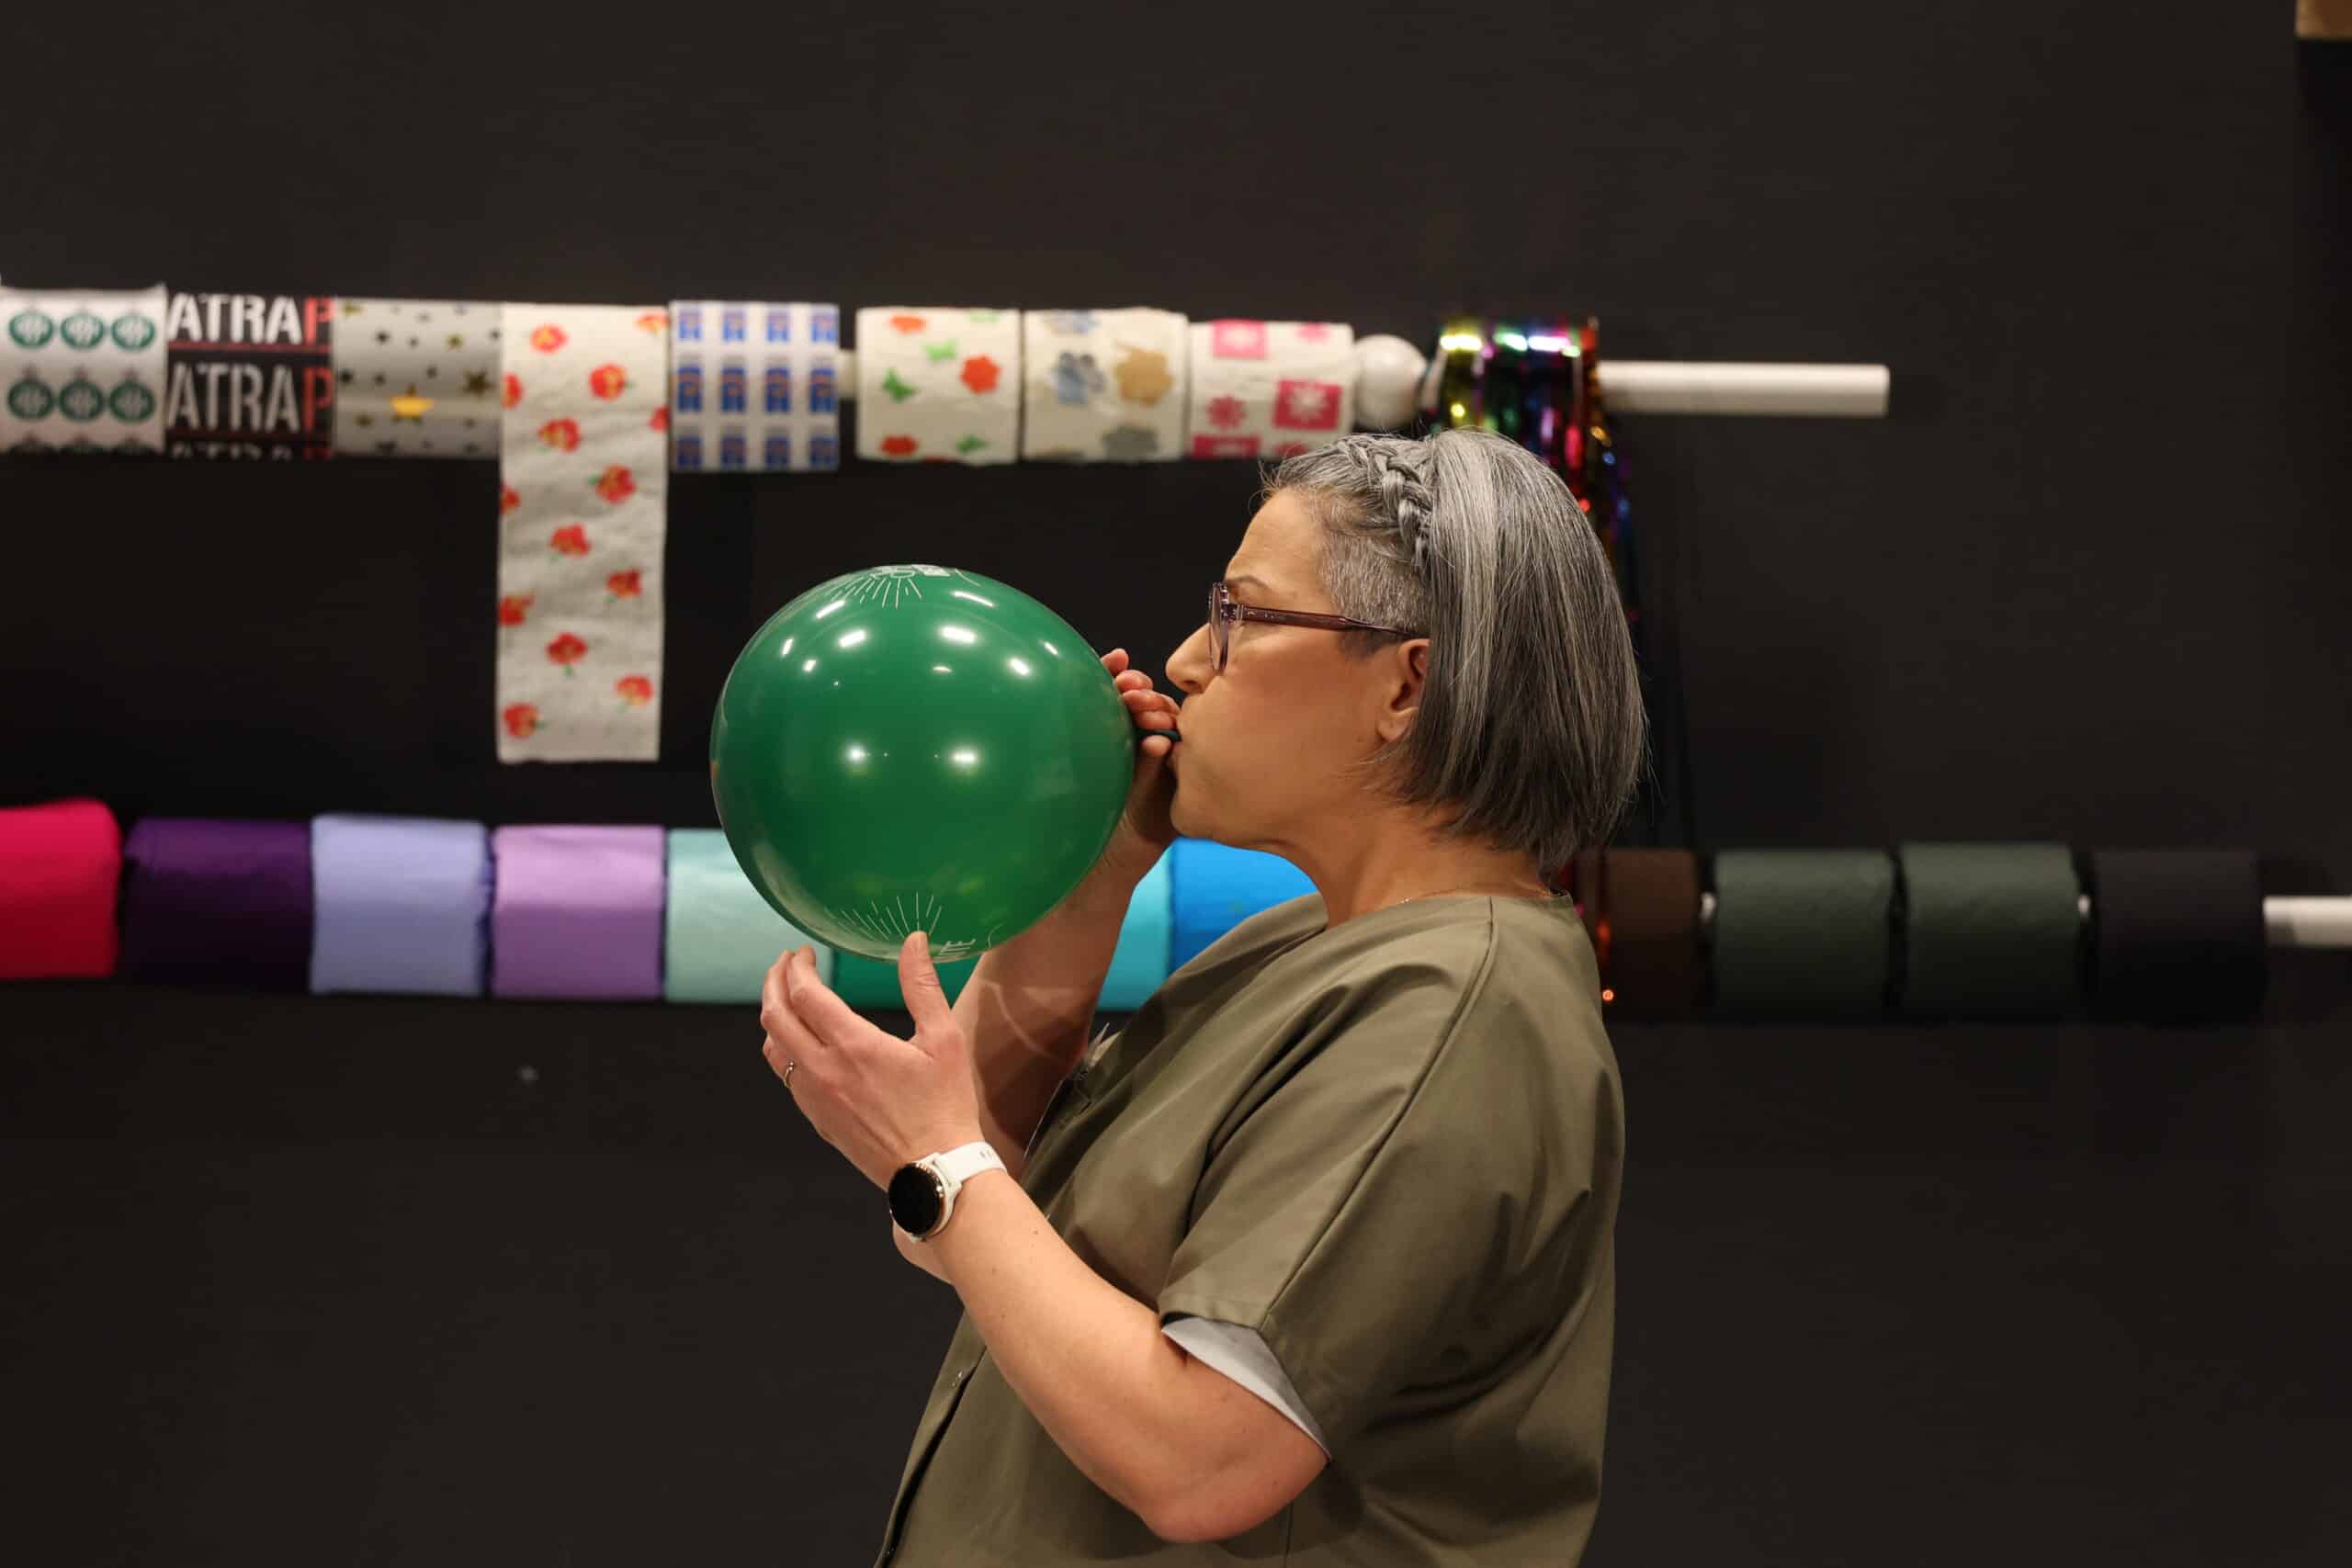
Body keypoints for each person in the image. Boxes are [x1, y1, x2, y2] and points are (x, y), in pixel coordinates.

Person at [758, 426, 1649, 1564]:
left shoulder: (1452, 1009)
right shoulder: (1303, 947)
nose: (1184, 660)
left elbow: (1203, 1463)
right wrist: (1087, 889)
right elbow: (979, 1226)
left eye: (1242, 615)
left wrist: (936, 1161)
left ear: (1406, 684)